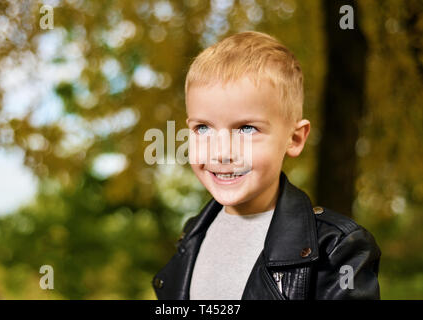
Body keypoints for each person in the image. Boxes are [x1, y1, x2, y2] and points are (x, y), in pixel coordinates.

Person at [152, 31, 381, 300]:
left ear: (294, 139)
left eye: (247, 128)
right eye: (203, 127)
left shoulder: (337, 249)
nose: (222, 152)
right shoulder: (192, 235)